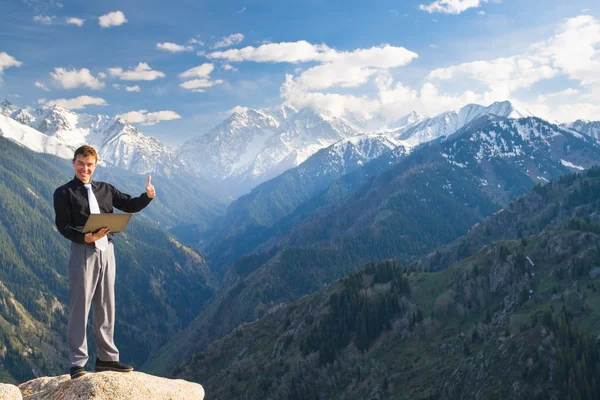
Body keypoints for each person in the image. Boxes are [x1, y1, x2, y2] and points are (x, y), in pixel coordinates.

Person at [53, 145, 156, 379]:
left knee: (106, 305)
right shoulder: (63, 193)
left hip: (107, 250)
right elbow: (63, 225)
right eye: (80, 163)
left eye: (89, 164)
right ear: (73, 163)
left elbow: (129, 205)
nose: (85, 168)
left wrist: (147, 197)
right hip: (82, 251)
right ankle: (77, 362)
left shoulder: (106, 189)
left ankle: (107, 359)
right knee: (80, 306)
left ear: (95, 165)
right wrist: (84, 237)